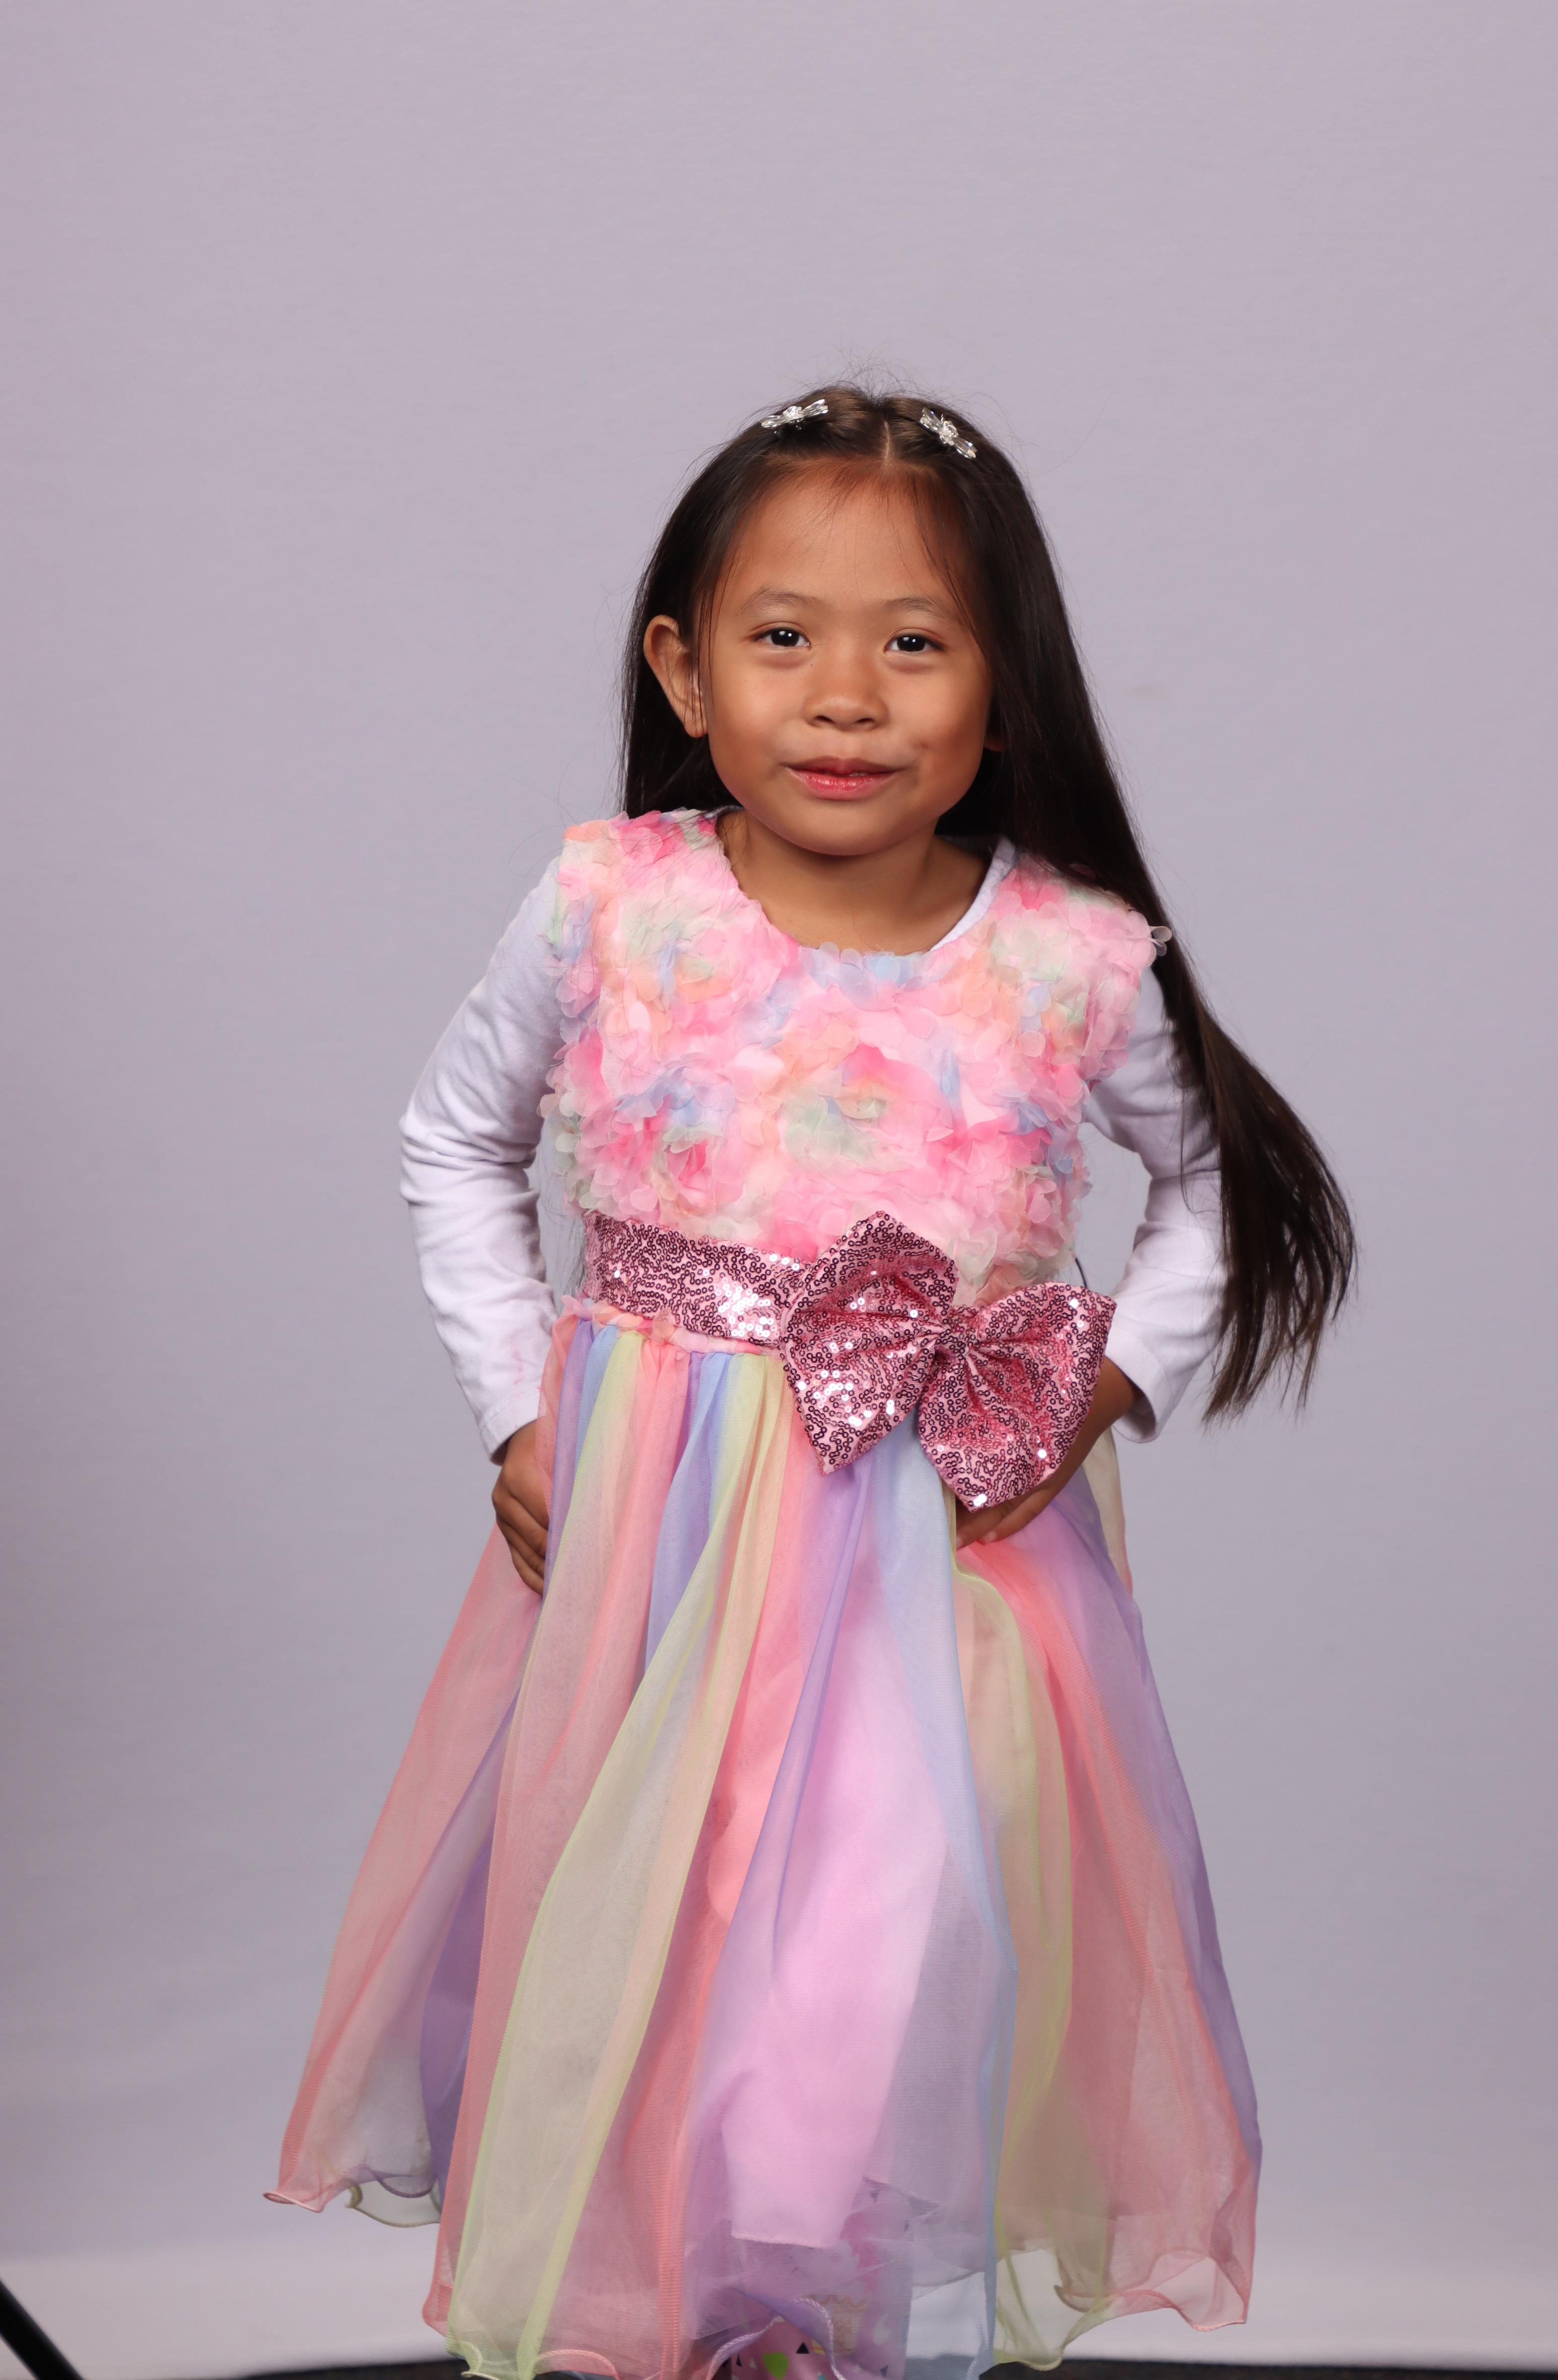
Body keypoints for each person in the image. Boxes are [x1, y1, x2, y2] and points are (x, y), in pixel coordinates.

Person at [272, 387, 1354, 2380]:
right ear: (686, 670)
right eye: (783, 636)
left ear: (1004, 688)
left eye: (915, 642)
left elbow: (1213, 1191)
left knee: (874, 1952)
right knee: (654, 1941)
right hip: (663, 1541)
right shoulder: (617, 906)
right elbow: (451, 1138)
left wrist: (1097, 1391)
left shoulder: (1062, 958)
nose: (845, 695)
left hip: (939, 1557)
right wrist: (518, 1408)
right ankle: (687, 2329)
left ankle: (831, 2320)